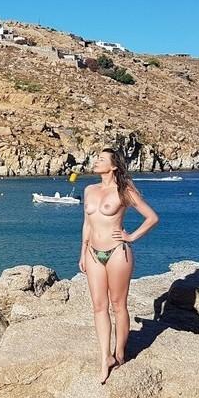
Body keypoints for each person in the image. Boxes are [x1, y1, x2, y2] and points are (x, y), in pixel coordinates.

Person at [79, 148, 159, 385]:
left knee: (118, 305)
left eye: (101, 159)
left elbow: (152, 217)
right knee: (98, 306)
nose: (96, 161)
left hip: (117, 253)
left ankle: (120, 353)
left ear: (113, 166)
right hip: (93, 253)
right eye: (96, 158)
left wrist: (131, 236)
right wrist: (83, 252)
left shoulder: (125, 190)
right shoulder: (89, 190)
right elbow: (87, 224)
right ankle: (105, 357)